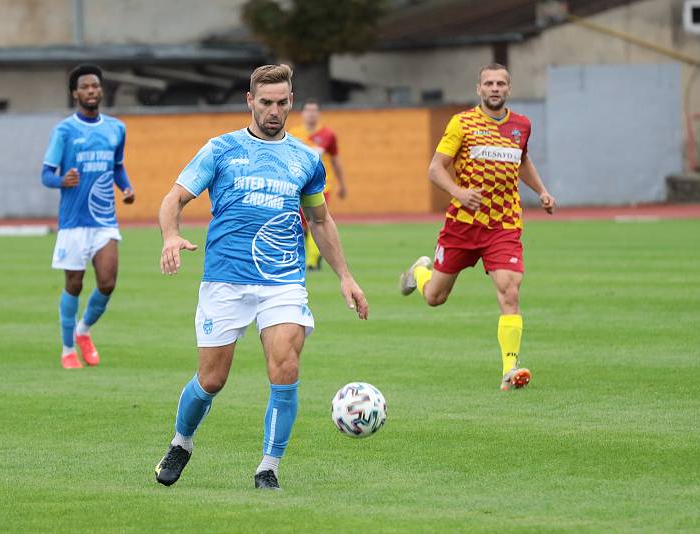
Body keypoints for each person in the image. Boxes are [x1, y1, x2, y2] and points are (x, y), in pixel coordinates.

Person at [155, 64, 368, 490]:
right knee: (212, 379)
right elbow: (174, 197)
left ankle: (268, 467)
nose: (274, 110)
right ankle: (182, 441)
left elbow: (321, 220)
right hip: (225, 279)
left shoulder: (306, 158)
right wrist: (171, 236)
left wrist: (345, 276)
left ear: (291, 101)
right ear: (250, 101)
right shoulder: (220, 149)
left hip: (283, 281)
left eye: (282, 102)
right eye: (266, 102)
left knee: (285, 368)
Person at [399, 63, 556, 392]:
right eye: (489, 83)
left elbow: (521, 159)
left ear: (509, 89)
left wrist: (541, 191)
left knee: (510, 291)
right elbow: (435, 169)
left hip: (504, 224)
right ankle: (419, 272)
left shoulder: (521, 125)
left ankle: (509, 369)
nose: (495, 88)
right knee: (435, 297)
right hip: (463, 225)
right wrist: (458, 192)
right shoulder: (462, 123)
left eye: (501, 83)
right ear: (479, 89)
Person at [41, 64, 135, 369]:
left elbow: (117, 165)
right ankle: (67, 348)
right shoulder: (65, 131)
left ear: (101, 90)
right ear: (75, 93)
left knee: (107, 283)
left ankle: (83, 332)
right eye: (85, 87)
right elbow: (46, 174)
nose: (91, 91)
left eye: (95, 86)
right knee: (75, 284)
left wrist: (127, 187)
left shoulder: (116, 128)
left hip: (105, 220)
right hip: (73, 222)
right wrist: (61, 181)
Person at [288, 99, 348, 270]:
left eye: (315, 110)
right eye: (308, 110)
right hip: (299, 187)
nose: (312, 114)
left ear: (319, 113)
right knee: (301, 223)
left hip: (322, 187)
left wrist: (342, 185)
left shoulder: (328, 135)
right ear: (303, 113)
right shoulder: (293, 134)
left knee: (317, 219)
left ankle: (312, 261)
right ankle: (314, 253)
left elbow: (336, 161)